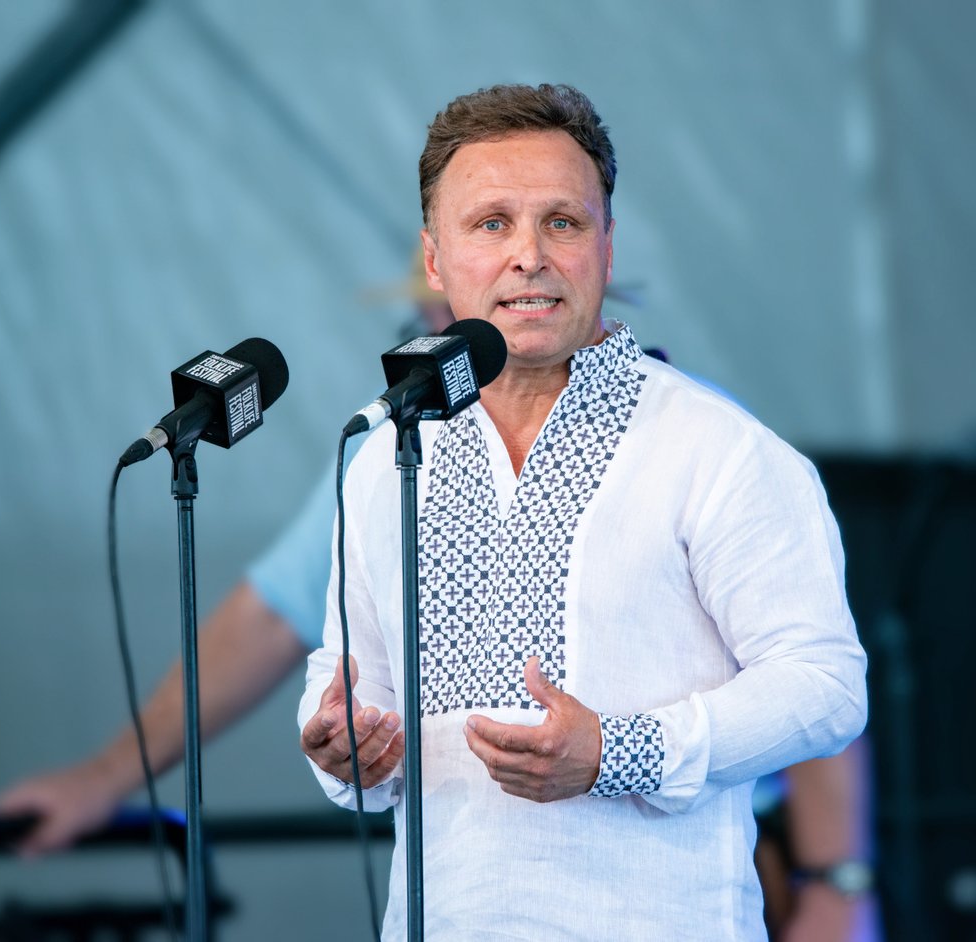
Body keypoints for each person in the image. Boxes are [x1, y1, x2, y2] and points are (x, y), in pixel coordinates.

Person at [297, 82, 868, 942]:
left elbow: (826, 685)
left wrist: (620, 750)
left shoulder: (717, 447)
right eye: (491, 224)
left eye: (562, 221)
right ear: (435, 259)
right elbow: (354, 678)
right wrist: (346, 747)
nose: (528, 254)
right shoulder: (386, 455)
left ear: (606, 245)